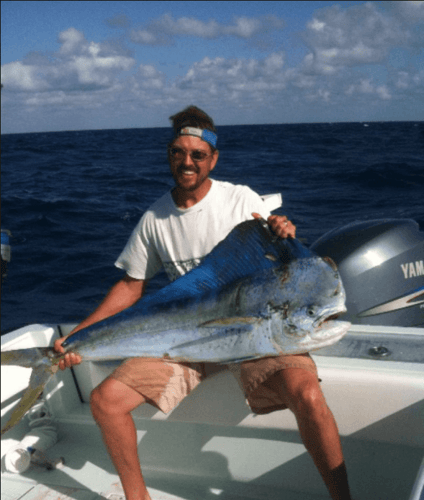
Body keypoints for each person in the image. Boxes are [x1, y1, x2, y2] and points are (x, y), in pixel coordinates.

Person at [55, 106, 353, 500]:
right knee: (105, 402)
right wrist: (77, 335)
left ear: (213, 158)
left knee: (309, 395)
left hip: (257, 332)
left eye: (197, 154)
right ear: (169, 154)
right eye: (178, 152)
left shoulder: (240, 199)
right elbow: (130, 286)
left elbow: (284, 255)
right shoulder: (154, 219)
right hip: (189, 342)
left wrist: (284, 230)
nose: (187, 162)